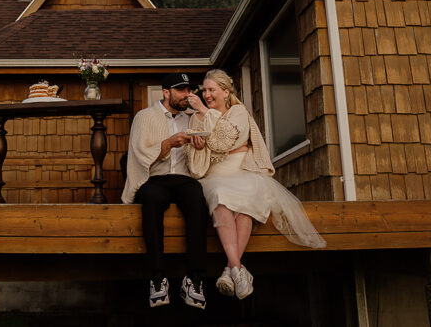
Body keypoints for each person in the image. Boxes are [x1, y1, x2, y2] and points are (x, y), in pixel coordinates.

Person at [185, 69, 325, 300]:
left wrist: (204, 112)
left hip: (242, 169)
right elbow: (195, 155)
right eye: (205, 90)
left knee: (247, 203)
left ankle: (231, 269)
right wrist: (199, 147)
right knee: (220, 197)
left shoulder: (238, 112)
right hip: (214, 175)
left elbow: (224, 140)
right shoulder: (196, 118)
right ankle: (238, 270)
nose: (207, 94)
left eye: (212, 90)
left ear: (225, 91)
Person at [122, 72, 209, 309]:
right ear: (166, 92)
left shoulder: (192, 119)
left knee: (197, 199)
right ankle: (157, 277)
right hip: (154, 178)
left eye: (189, 90)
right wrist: (168, 144)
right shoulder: (144, 117)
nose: (187, 95)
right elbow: (139, 155)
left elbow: (201, 156)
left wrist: (199, 146)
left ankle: (195, 278)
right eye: (181, 90)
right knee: (152, 200)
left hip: (183, 178)